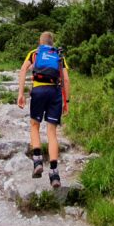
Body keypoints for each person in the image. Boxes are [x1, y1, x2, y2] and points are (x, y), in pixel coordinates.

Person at [16, 31, 70, 189]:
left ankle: (38, 159)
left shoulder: (35, 53)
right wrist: (66, 101)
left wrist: (21, 94)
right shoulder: (59, 56)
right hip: (55, 93)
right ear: (52, 43)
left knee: (34, 125)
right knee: (52, 132)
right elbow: (66, 79)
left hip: (38, 92)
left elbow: (23, 71)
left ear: (40, 42)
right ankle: (54, 174)